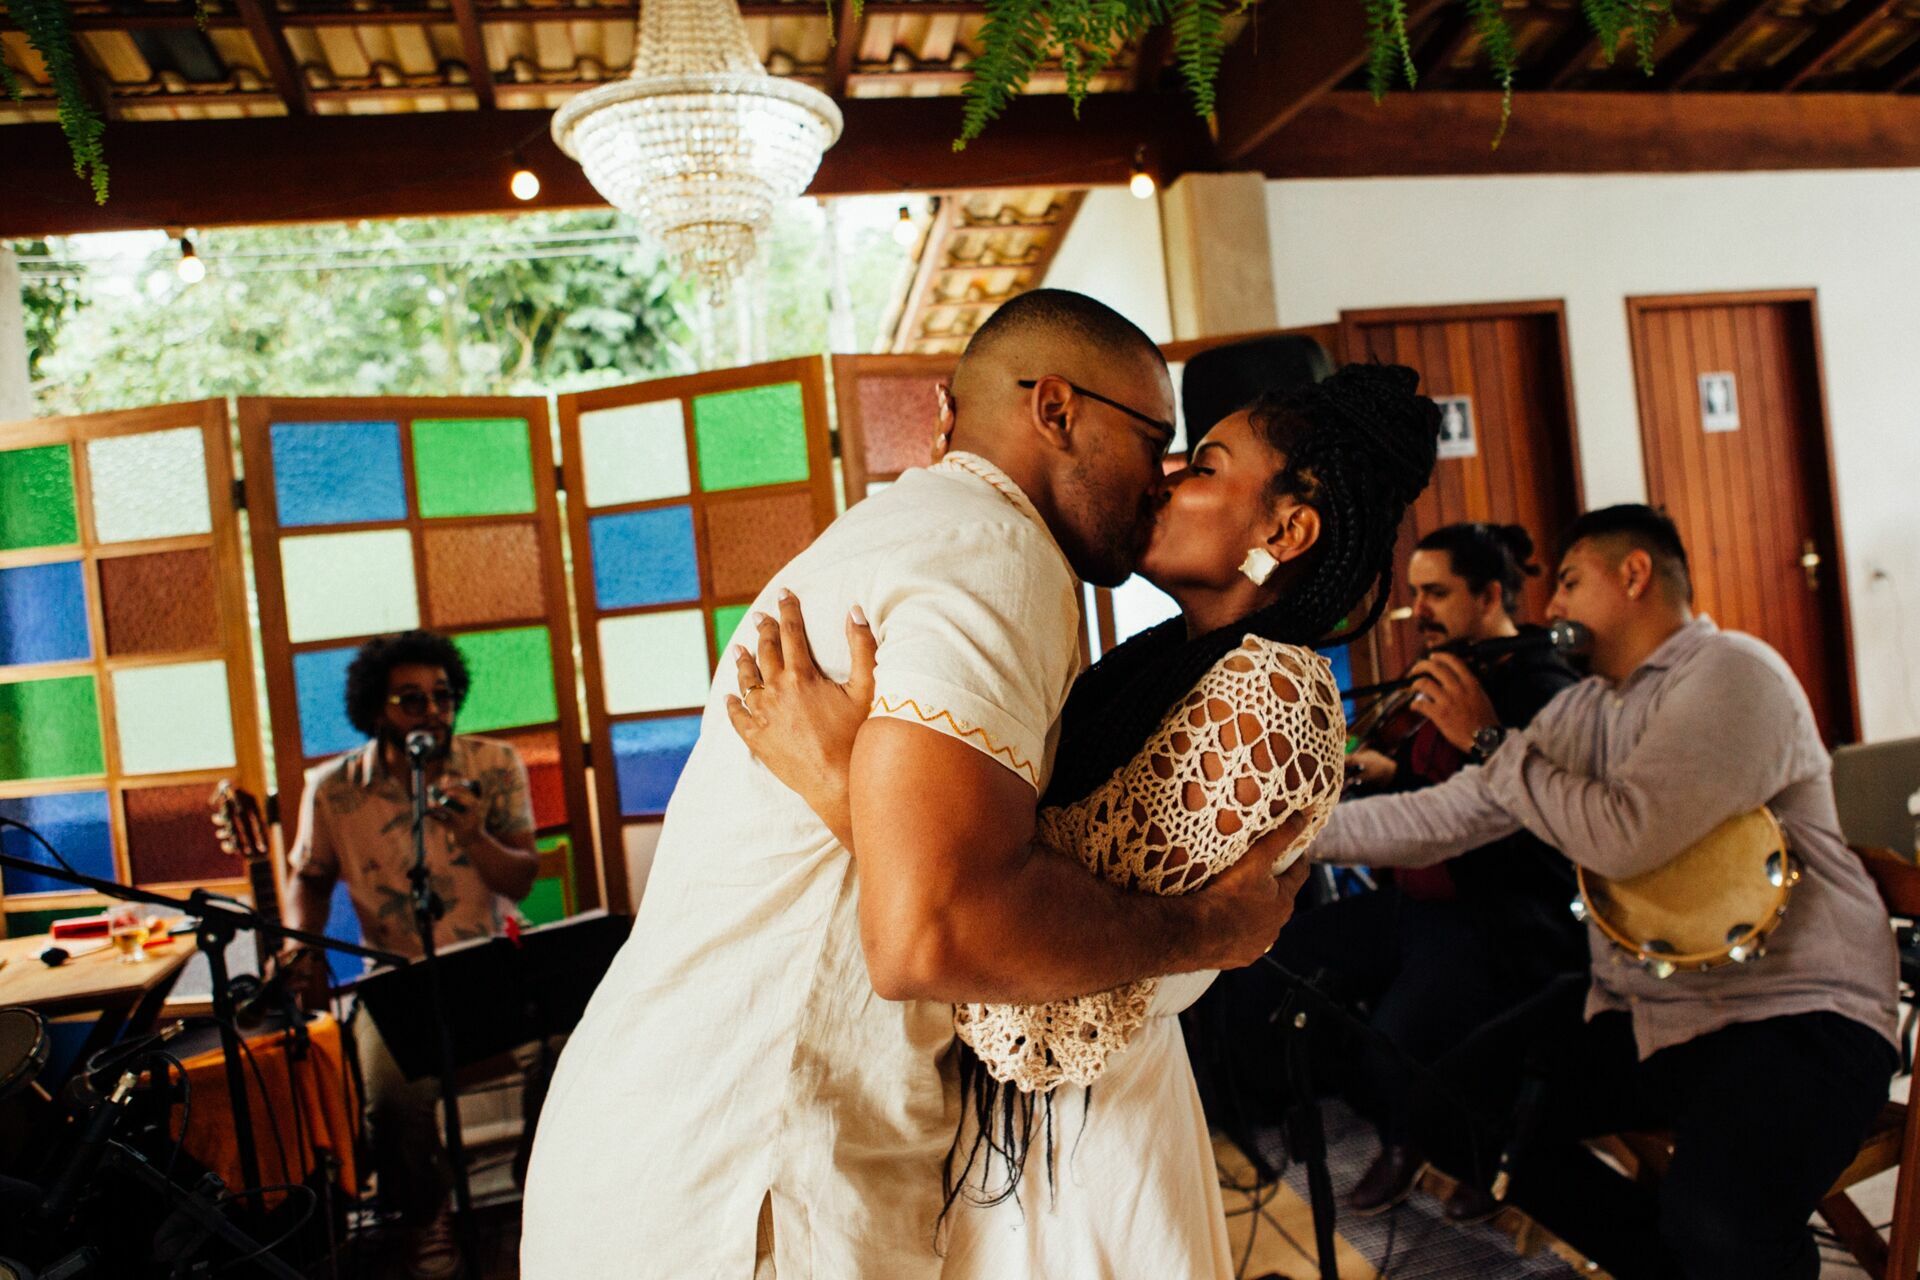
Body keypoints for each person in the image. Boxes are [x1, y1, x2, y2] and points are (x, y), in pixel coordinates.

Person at [520, 290, 1318, 1278]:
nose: (1161, 479)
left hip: (690, 1131)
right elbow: (938, 926)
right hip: (757, 1172)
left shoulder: (926, 534)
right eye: (1161, 440)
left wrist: (841, 786)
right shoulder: (993, 554)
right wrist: (1211, 929)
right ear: (1057, 410)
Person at [721, 362, 1440, 1277]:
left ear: (1286, 529)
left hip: (1086, 1142)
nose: (1168, 478)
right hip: (1017, 1138)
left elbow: (1061, 994)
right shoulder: (1154, 659)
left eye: (1206, 467)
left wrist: (839, 781)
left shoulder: (1273, 694)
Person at [1314, 505, 1900, 1279]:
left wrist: (1491, 743)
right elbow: (1445, 817)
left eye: (1568, 581)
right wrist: (1292, 837)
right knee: (1448, 1109)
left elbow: (1627, 832)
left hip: (1798, 1012)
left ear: (1634, 575)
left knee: (1718, 1225)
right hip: (1659, 1013)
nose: (1551, 608)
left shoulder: (1733, 672)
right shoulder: (1584, 710)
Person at [1200, 522, 1584, 1219]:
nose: (1420, 610)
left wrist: (1295, 836)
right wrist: (1385, 768)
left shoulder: (1535, 682)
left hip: (1493, 910)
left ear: (1490, 593)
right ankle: (1365, 1121)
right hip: (1421, 895)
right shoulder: (1457, 669)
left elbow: (1483, 808)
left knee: (1397, 1038)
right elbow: (1437, 782)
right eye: (1414, 593)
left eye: (1436, 593)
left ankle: (1437, 1145)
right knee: (1277, 958)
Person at [279, 629, 539, 1280]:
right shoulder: (332, 789)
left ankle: (540, 1181)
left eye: (444, 698)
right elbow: (308, 875)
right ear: (375, 710)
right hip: (398, 974)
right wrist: (296, 944)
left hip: (495, 959)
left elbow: (521, 879)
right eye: (412, 701)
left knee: (569, 1044)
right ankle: (426, 1217)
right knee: (389, 1100)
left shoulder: (495, 764)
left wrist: (473, 835)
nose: (434, 714)